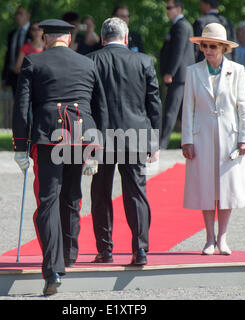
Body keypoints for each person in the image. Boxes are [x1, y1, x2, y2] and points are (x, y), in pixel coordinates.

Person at [12, 19, 108, 295]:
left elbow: (21, 108)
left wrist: (20, 145)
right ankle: (69, 255)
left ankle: (52, 269)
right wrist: (96, 148)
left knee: (48, 201)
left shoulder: (33, 62)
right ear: (68, 39)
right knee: (72, 197)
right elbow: (100, 108)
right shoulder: (89, 63)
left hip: (48, 136)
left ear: (45, 38)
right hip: (81, 135)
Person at [87, 18, 162, 265]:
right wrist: (154, 141)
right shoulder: (144, 61)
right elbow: (154, 105)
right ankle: (140, 250)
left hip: (101, 137)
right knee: (136, 195)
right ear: (126, 37)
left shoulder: (91, 60)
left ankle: (104, 250)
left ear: (102, 37)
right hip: (136, 136)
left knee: (100, 195)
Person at [182, 23, 245, 256]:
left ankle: (223, 237)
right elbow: (188, 108)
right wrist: (186, 140)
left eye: (212, 46)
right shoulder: (193, 71)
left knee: (227, 187)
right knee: (205, 187)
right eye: (204, 45)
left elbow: (243, 107)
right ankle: (209, 238)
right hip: (201, 135)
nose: (208, 50)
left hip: (229, 136)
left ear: (223, 48)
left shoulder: (237, 70)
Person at [159, 0, 195, 149]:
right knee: (182, 112)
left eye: (169, 8)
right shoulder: (180, 26)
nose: (167, 10)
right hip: (181, 76)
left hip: (178, 76)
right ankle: (188, 142)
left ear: (178, 9)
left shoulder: (180, 26)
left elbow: (177, 51)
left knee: (170, 111)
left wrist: (170, 72)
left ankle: (161, 144)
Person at [1, 6, 31, 96]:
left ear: (28, 15)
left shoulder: (34, 32)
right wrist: (4, 77)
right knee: (17, 104)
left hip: (29, 75)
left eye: (21, 13)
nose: (18, 16)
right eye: (17, 14)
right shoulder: (12, 34)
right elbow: (8, 56)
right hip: (14, 75)